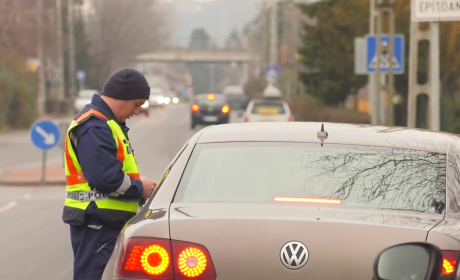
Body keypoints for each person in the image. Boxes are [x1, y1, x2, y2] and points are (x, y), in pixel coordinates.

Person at [62, 67, 157, 280]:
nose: (137, 111)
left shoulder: (105, 124)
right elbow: (105, 178)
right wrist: (140, 188)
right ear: (123, 96)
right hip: (98, 224)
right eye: (137, 104)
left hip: (102, 223)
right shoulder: (95, 126)